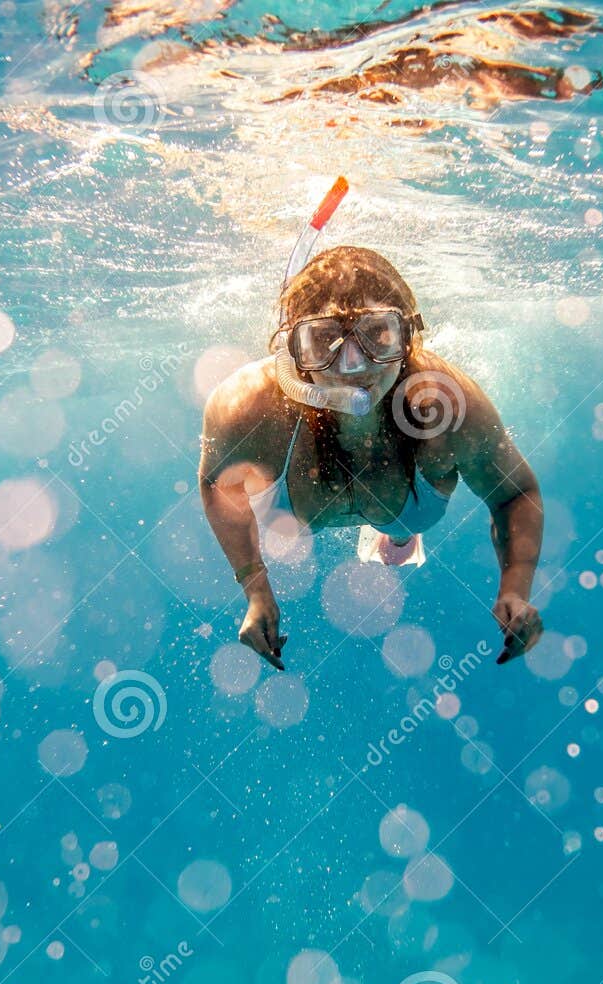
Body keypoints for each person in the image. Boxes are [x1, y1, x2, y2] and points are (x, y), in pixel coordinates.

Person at [198, 243, 545, 670]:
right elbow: (219, 483)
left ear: (408, 335)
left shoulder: (447, 407)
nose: (353, 365)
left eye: (377, 333)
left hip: (405, 503)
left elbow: (514, 493)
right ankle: (399, 534)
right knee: (402, 520)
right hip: (398, 499)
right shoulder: (247, 409)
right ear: (294, 350)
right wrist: (255, 587)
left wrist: (515, 586)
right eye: (324, 339)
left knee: (401, 528)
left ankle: (398, 537)